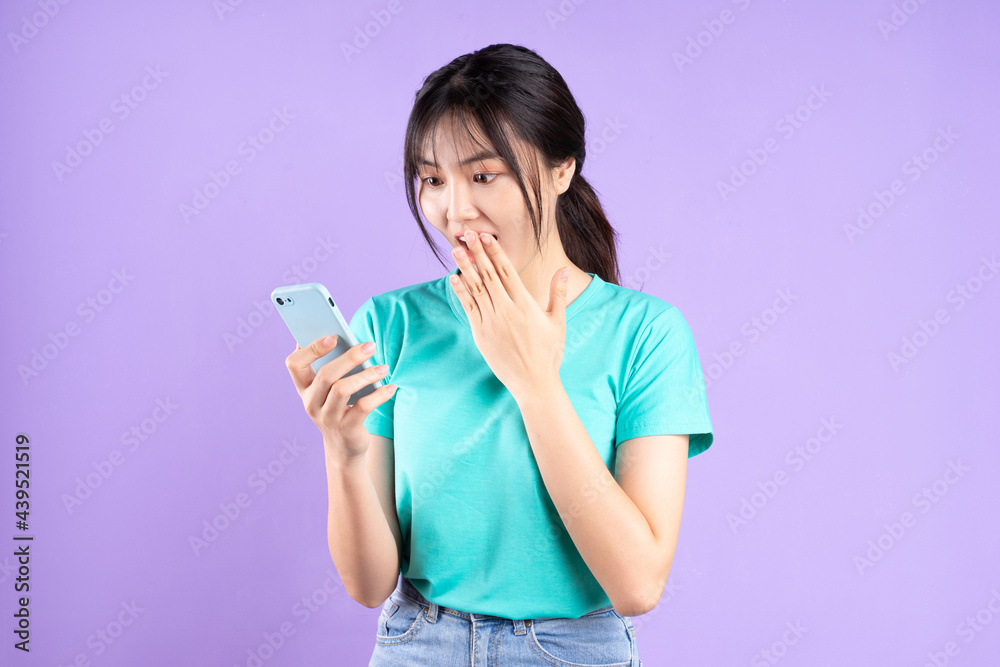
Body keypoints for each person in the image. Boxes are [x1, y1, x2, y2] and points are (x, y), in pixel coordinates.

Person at [284, 43, 714, 667]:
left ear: (562, 169)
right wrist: (343, 451)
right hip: (417, 643)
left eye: (484, 176)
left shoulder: (647, 335)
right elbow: (369, 584)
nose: (455, 212)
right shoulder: (389, 324)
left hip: (571, 649)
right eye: (433, 180)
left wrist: (535, 382)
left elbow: (638, 583)